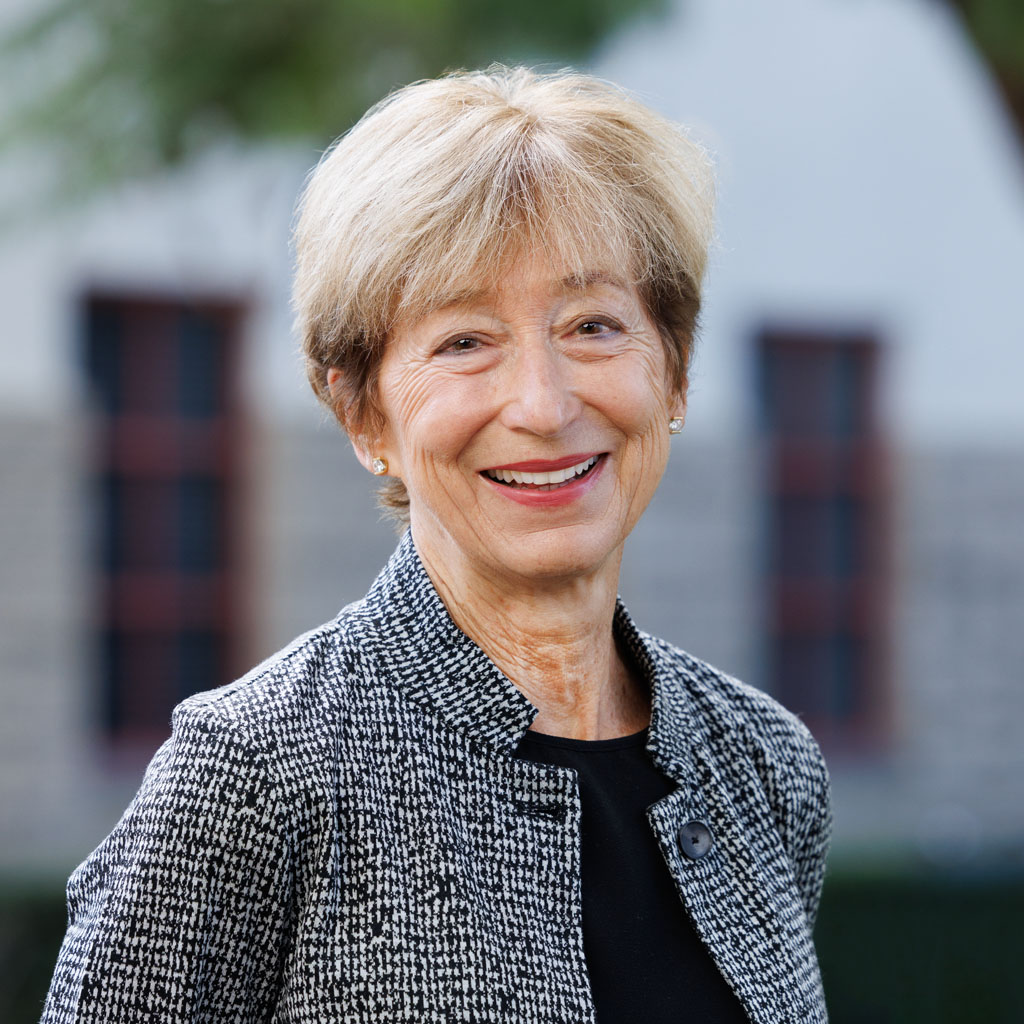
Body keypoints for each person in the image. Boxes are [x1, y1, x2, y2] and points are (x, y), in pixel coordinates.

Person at [42, 67, 831, 1023]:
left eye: (592, 326)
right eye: (465, 341)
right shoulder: (254, 774)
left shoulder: (765, 766)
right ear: (363, 413)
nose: (543, 405)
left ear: (675, 372)